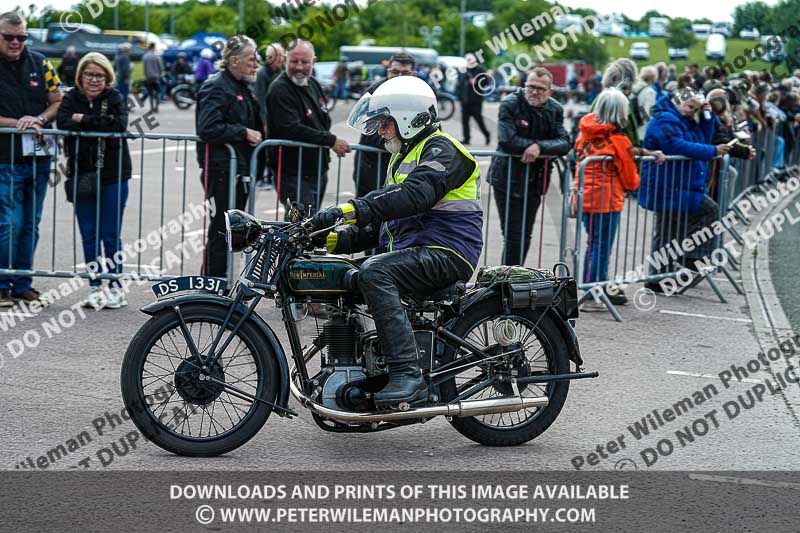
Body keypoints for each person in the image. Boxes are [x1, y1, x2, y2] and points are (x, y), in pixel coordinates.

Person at [310, 76, 482, 407]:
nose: (379, 129)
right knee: (339, 274)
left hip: (447, 251)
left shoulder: (442, 149)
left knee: (376, 272)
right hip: (416, 248)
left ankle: (407, 374)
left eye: (385, 121)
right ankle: (355, 367)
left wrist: (350, 209)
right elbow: (389, 223)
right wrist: (331, 240)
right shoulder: (404, 154)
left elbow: (415, 196)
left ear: (408, 118)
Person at [57, 53, 132, 309]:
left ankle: (115, 286)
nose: (94, 80)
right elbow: (64, 121)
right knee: (89, 234)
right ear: (80, 76)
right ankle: (94, 286)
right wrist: (96, 123)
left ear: (107, 77)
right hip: (81, 175)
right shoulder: (70, 98)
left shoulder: (114, 97)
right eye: (89, 74)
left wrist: (84, 121)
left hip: (113, 174)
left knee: (110, 235)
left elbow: (119, 125)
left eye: (99, 75)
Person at [638, 88, 732, 292]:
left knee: (669, 230)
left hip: (678, 184)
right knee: (676, 226)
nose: (692, 112)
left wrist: (706, 115)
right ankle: (684, 261)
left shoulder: (684, 120)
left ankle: (665, 272)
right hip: (667, 184)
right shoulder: (664, 120)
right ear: (676, 101)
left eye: (695, 109)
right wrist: (713, 151)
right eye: (690, 107)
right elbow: (676, 146)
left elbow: (701, 139)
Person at [0, 11, 62, 306]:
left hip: (37, 160)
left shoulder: (41, 63)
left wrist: (39, 118)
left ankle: (22, 282)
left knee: (30, 224)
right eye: (9, 37)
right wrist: (18, 123)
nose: (16, 42)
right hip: (4, 159)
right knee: (7, 223)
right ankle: (1, 283)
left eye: (21, 37)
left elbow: (58, 100)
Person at [196, 35, 264, 277]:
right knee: (222, 229)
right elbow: (207, 128)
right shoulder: (216, 85)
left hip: (239, 169)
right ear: (234, 60)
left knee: (232, 229)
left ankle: (220, 282)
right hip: (222, 169)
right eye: (251, 58)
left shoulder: (242, 86)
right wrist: (243, 131)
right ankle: (212, 283)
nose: (256, 63)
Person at [488, 67, 570, 266]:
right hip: (508, 178)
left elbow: (565, 142)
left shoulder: (555, 109)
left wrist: (538, 147)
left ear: (550, 91)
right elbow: (507, 140)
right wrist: (535, 146)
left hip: (536, 180)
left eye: (541, 89)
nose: (534, 92)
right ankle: (505, 283)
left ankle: (514, 280)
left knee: (526, 233)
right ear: (524, 85)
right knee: (514, 234)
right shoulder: (510, 104)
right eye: (531, 86)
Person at [573, 88, 641, 310]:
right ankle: (592, 293)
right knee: (600, 248)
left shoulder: (585, 132)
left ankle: (594, 289)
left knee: (593, 246)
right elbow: (631, 179)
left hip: (584, 196)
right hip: (607, 200)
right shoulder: (618, 140)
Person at [266, 39, 350, 214]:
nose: (299, 67)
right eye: (293, 62)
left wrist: (328, 141)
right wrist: (331, 140)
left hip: (316, 169)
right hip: (293, 173)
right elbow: (290, 128)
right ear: (285, 61)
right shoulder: (280, 89)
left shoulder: (313, 84)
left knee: (310, 226)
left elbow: (323, 121)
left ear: (314, 61)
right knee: (299, 228)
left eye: (304, 62)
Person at [352, 52, 416, 198]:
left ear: (413, 74)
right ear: (388, 72)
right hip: (373, 163)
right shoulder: (376, 92)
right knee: (366, 209)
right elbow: (367, 128)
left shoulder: (421, 93)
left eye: (405, 72)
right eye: (395, 72)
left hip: (405, 165)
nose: (399, 77)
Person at [459, 53, 491, 146]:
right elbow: (460, 85)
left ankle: (487, 134)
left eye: (470, 59)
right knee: (465, 121)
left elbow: (486, 82)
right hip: (465, 101)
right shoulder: (464, 71)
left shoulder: (480, 70)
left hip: (476, 101)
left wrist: (476, 82)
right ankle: (466, 139)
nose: (468, 61)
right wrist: (460, 98)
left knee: (479, 120)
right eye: (467, 59)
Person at [254, 42, 284, 126]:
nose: (281, 59)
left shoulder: (282, 73)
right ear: (269, 58)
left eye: (282, 56)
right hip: (268, 120)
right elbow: (260, 100)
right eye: (278, 55)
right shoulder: (261, 75)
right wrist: (264, 123)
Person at [632, 66, 658, 141]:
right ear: (652, 78)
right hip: (643, 133)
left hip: (633, 130)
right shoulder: (650, 92)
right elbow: (648, 115)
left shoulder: (633, 90)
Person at [142, 42, 163, 112]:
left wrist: (146, 76)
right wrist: (159, 74)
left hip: (148, 77)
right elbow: (160, 67)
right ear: (153, 48)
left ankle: (151, 108)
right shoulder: (156, 56)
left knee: (150, 92)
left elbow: (144, 68)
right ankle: (156, 107)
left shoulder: (145, 56)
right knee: (157, 92)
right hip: (156, 76)